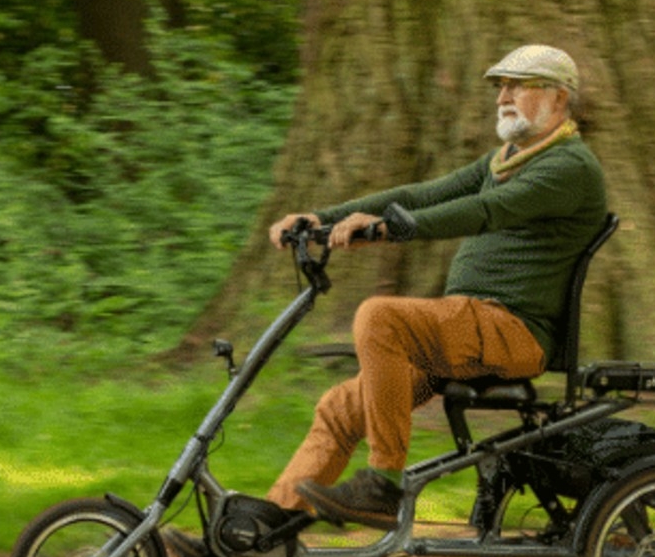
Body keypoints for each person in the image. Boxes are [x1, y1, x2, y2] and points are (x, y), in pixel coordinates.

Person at [258, 44, 609, 530]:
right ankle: (268, 529)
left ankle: (382, 485)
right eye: (500, 87)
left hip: (513, 330)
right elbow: (419, 195)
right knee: (340, 408)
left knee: (380, 317)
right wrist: (321, 218)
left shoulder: (569, 166)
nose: (503, 96)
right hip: (467, 327)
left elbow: (486, 212)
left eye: (518, 86)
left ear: (558, 97)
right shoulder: (506, 158)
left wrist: (389, 228)